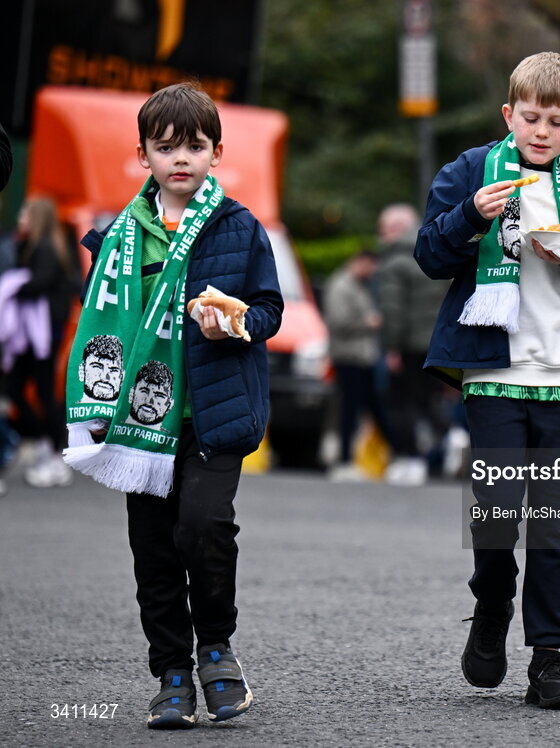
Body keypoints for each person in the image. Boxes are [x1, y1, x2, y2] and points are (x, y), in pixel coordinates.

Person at [416, 51, 560, 709]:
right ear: (509, 115)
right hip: (494, 373)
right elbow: (429, 255)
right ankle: (491, 607)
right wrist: (469, 219)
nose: (542, 130)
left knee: (555, 525)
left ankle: (549, 657)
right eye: (532, 117)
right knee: (495, 518)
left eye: (557, 119)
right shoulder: (470, 172)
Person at [63, 82, 283, 729]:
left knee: (204, 527)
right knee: (153, 547)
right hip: (141, 420)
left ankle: (215, 647)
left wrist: (235, 324)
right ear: (143, 156)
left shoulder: (241, 229)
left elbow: (269, 307)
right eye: (166, 148)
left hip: (215, 415)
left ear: (217, 152)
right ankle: (172, 674)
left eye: (194, 146)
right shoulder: (118, 237)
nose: (180, 159)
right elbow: (101, 320)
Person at [2, 197, 76, 488]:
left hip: (42, 336)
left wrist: (16, 283)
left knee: (42, 394)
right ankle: (47, 446)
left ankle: (54, 455)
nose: (21, 216)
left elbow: (37, 283)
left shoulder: (45, 249)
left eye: (25, 212)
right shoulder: (33, 246)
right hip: (35, 336)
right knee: (21, 390)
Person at [376, 203, 450, 485]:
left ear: (395, 229)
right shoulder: (433, 253)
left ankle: (411, 459)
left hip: (407, 344)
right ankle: (451, 434)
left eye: (383, 230)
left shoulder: (395, 261)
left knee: (401, 402)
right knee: (429, 398)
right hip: (434, 343)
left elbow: (393, 309)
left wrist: (391, 347)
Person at [322, 248, 392, 481]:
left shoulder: (356, 285)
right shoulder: (341, 285)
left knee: (372, 407)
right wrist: (368, 323)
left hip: (363, 357)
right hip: (349, 357)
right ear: (361, 262)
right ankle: (344, 460)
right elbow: (338, 321)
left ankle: (396, 455)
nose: (373, 272)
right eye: (371, 266)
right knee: (349, 410)